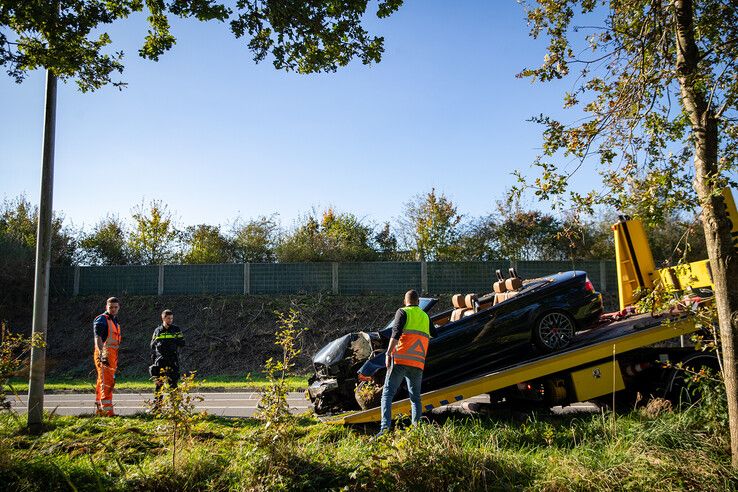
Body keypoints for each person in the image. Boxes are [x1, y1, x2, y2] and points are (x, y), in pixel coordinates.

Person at [378, 289, 437, 436]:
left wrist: (388, 353)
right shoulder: (425, 316)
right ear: (418, 302)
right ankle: (416, 430)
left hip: (400, 360)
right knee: (415, 398)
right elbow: (434, 334)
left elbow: (395, 334)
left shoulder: (403, 312)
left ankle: (384, 429)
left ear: (405, 301)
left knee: (387, 395)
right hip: (417, 364)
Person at [149, 309, 185, 408]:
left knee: (173, 384)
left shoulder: (176, 329)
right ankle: (157, 407)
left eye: (171, 318)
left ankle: (175, 407)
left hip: (172, 360)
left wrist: (172, 341)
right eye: (168, 318)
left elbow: (182, 343)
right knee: (159, 385)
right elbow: (152, 345)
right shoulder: (157, 330)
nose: (170, 320)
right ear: (163, 318)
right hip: (160, 361)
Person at [93, 297, 122, 416]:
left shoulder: (114, 321)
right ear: (106, 307)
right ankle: (107, 412)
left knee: (102, 382)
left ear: (118, 307)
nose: (113, 309)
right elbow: (97, 337)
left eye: (115, 307)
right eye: (111, 307)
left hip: (112, 356)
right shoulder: (102, 319)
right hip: (105, 356)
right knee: (107, 383)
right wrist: (101, 354)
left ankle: (100, 410)